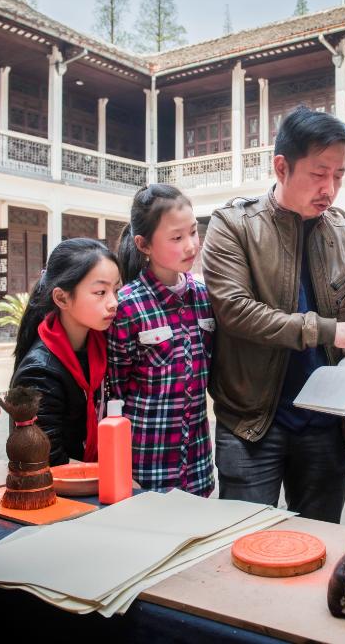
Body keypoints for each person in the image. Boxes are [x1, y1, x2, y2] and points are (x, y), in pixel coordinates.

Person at [201, 105, 345, 523]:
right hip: (252, 423)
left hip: (324, 424)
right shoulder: (233, 225)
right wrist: (328, 331)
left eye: (339, 175)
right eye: (319, 174)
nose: (330, 188)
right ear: (281, 167)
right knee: (245, 539)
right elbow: (235, 312)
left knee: (320, 542)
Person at [107, 184, 215, 496]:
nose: (191, 245)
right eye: (176, 238)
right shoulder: (126, 306)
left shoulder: (204, 297)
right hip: (144, 468)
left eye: (193, 232)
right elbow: (114, 395)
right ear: (143, 244)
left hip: (197, 467)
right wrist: (117, 466)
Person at [11, 238, 121, 466]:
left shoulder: (103, 346)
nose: (113, 302)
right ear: (62, 298)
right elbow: (47, 460)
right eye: (100, 292)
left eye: (116, 290)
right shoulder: (39, 372)